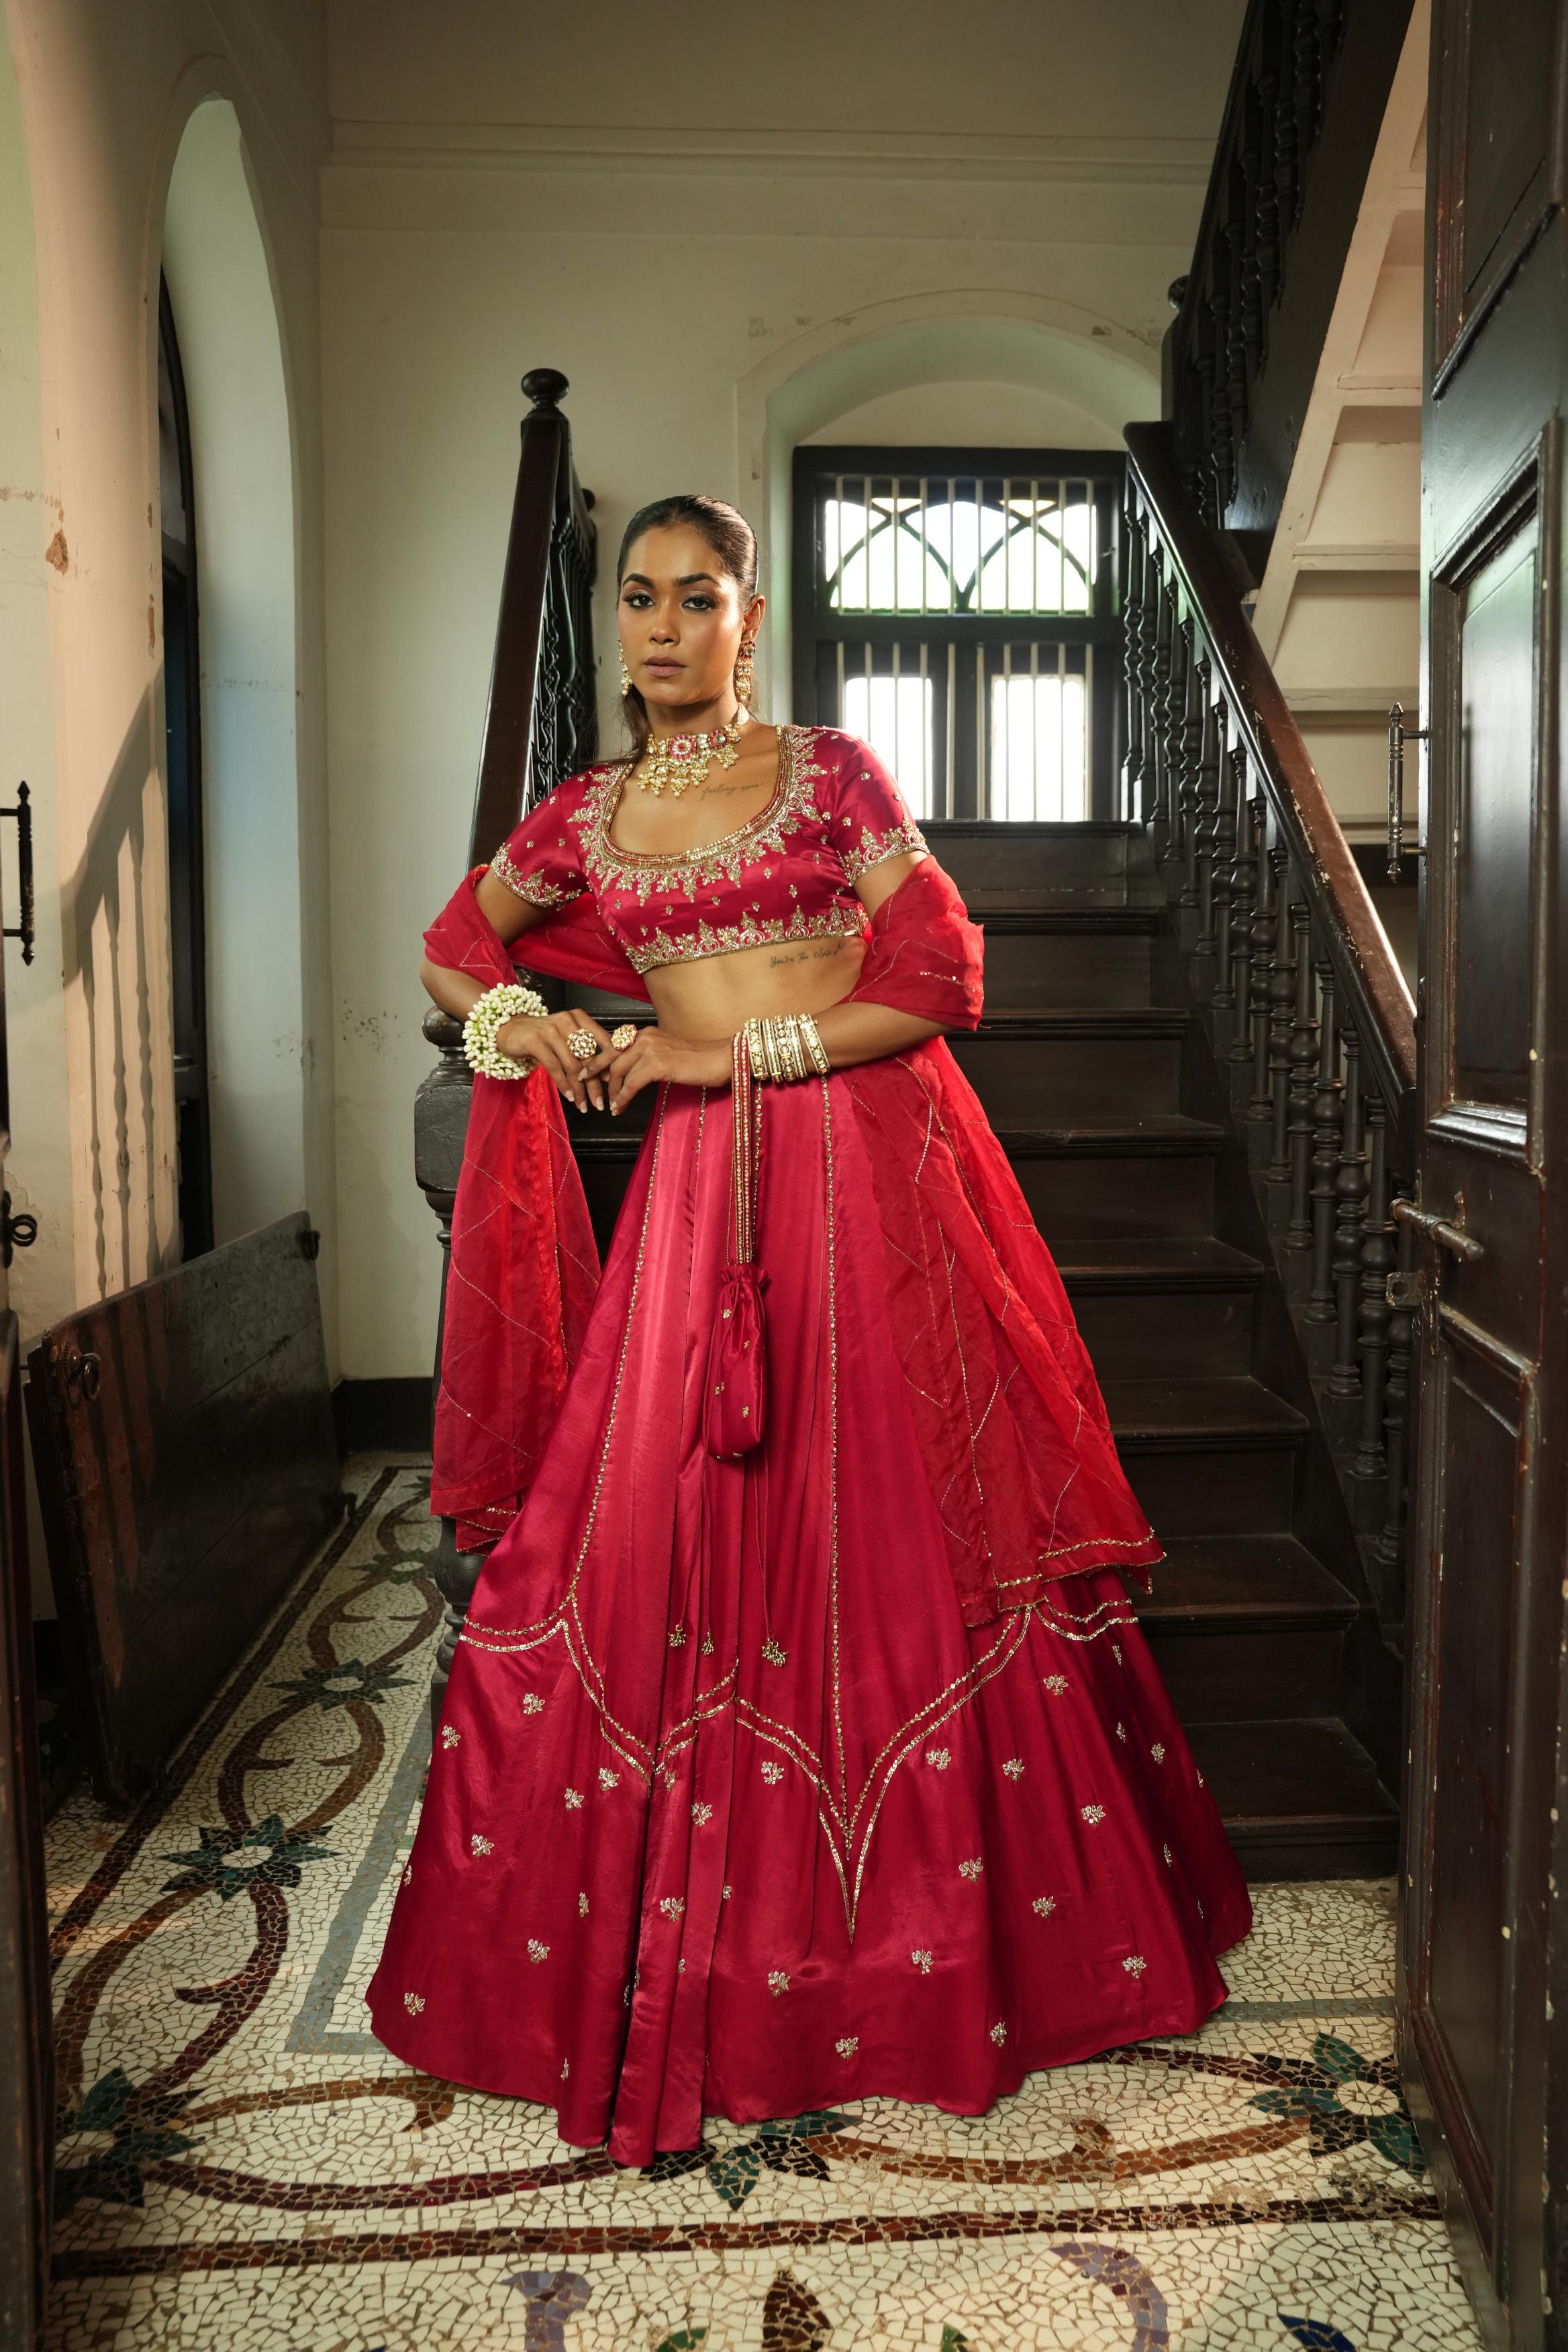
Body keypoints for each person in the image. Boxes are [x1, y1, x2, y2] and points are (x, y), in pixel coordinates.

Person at [367, 493, 1252, 2165]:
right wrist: (521, 1021)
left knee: (896, 1529)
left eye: (697, 599)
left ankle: (921, 1953)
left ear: (746, 619)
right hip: (697, 1204)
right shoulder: (579, 814)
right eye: (638, 599)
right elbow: (447, 944)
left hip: (864, 1175)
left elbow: (938, 978)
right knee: (641, 1528)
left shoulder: (831, 773)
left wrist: (723, 1056)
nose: (661, 627)